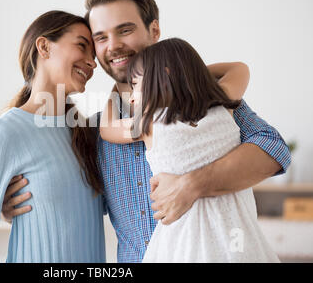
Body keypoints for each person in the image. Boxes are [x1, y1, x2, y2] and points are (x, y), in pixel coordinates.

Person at [2, 0, 291, 263]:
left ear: (154, 31)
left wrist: (192, 185)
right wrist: (16, 204)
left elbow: (273, 149)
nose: (113, 46)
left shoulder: (201, 100)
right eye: (100, 37)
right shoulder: (94, 131)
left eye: (125, 30)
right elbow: (76, 201)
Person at [99, 37, 280, 262]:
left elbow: (106, 129)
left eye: (135, 85)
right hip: (238, 244)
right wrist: (188, 74)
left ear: (164, 77)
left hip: (183, 247)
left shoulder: (148, 124)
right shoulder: (223, 102)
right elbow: (239, 68)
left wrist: (115, 93)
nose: (133, 97)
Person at [0, 10, 106, 262]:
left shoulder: (90, 133)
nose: (92, 62)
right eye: (82, 46)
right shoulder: (5, 133)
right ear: (44, 46)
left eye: (93, 55)